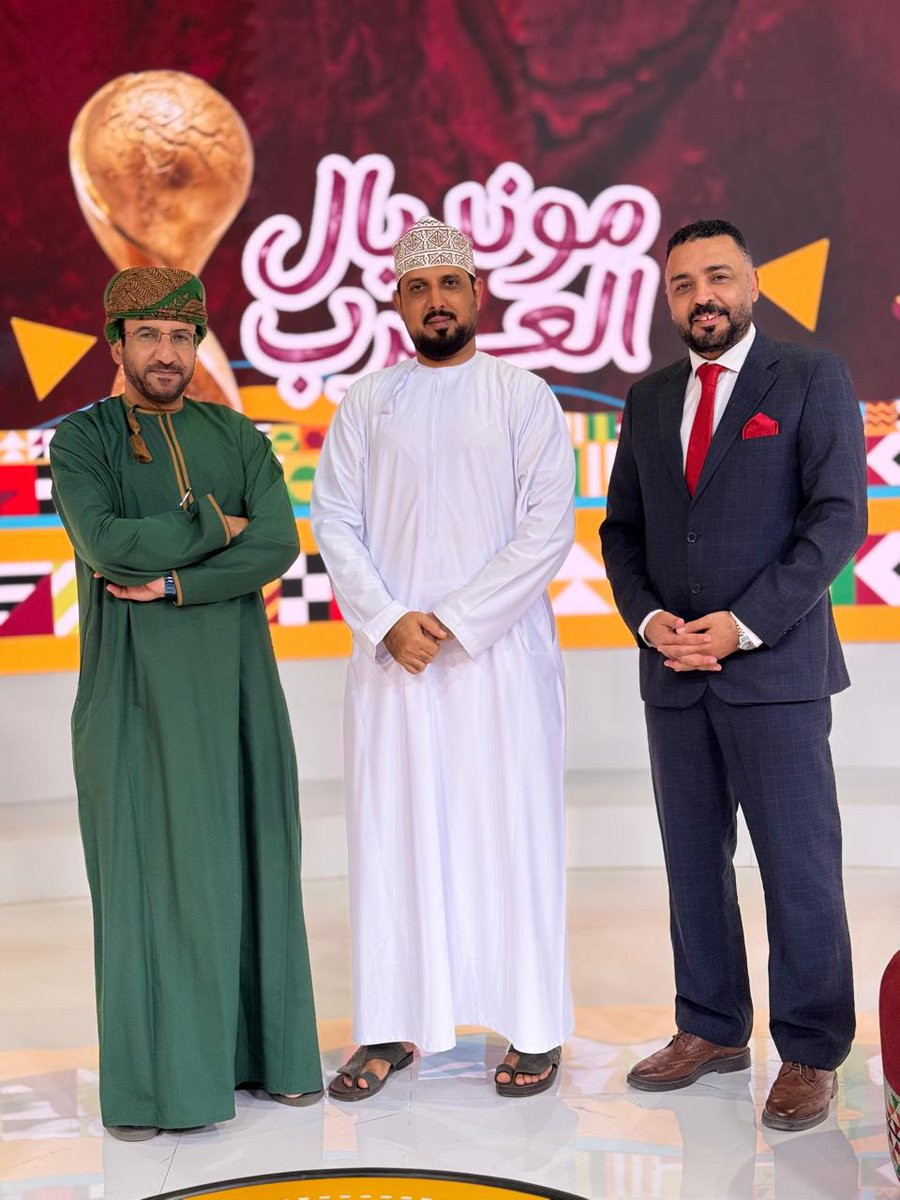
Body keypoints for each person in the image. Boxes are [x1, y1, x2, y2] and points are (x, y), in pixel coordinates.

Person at [600, 219, 867, 1131]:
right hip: (674, 673)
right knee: (691, 862)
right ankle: (712, 1028)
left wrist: (744, 625)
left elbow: (837, 519)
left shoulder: (811, 378)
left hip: (777, 671)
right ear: (668, 299)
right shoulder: (647, 399)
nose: (701, 296)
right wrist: (650, 622)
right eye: (682, 283)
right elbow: (622, 531)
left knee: (799, 866)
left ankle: (811, 1049)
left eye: (717, 277)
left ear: (752, 285)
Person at [49, 267, 322, 1140]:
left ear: (197, 343)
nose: (166, 354)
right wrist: (216, 525)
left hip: (238, 690)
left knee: (255, 861)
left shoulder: (235, 434)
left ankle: (270, 1060)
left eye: (180, 337)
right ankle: (153, 1090)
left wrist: (174, 579)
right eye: (148, 336)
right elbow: (106, 544)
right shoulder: (82, 441)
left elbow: (276, 542)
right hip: (132, 698)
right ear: (117, 343)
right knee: (147, 882)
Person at [311, 216, 575, 1100]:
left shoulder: (522, 396)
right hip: (395, 666)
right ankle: (391, 1027)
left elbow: (548, 526)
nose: (436, 302)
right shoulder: (367, 402)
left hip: (500, 663)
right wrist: (390, 619)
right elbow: (334, 520)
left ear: (476, 293)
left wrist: (455, 620)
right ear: (398, 301)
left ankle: (531, 1025)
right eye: (418, 288)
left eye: (449, 285)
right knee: (394, 837)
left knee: (512, 833)